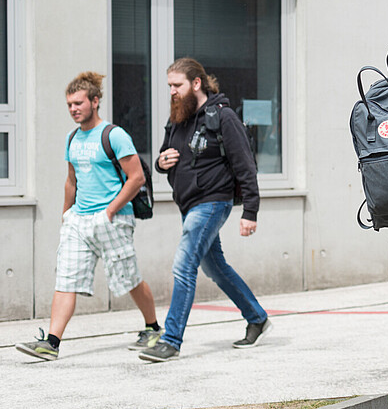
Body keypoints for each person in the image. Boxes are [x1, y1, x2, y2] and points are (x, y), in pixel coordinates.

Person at [17, 72, 161, 361]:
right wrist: (66, 213)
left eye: (79, 103)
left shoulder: (114, 135)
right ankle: (51, 343)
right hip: (79, 222)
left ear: (95, 101)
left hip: (113, 219)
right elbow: (71, 180)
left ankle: (153, 328)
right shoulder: (72, 138)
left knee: (128, 278)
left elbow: (137, 178)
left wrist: (109, 211)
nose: (73, 109)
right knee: (66, 280)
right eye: (69, 104)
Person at [138, 57, 270, 363]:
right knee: (215, 267)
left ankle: (170, 339)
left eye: (177, 85)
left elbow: (246, 167)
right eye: (169, 85)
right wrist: (161, 163)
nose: (171, 91)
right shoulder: (178, 117)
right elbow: (163, 156)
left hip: (213, 201)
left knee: (184, 265)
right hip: (188, 203)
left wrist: (250, 212)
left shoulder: (223, 118)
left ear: (196, 83)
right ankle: (257, 318)